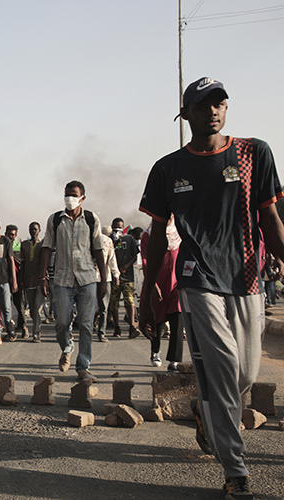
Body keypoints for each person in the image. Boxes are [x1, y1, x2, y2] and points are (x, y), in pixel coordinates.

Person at [139, 77, 284, 499]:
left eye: (220, 103)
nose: (214, 111)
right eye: (203, 106)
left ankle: (206, 414)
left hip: (246, 278)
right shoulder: (168, 168)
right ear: (186, 115)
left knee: (245, 374)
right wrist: (151, 292)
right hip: (196, 278)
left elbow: (270, 221)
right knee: (221, 370)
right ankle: (235, 471)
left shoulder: (254, 152)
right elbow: (157, 231)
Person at [40, 180, 107, 382]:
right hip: (62, 279)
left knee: (86, 325)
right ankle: (67, 347)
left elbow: (98, 249)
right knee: (61, 322)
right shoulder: (55, 220)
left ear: (82, 198)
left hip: (87, 278)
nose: (69, 198)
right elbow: (47, 247)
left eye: (73, 194)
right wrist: (43, 276)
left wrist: (104, 279)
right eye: (66, 194)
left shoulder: (91, 218)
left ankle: (83, 367)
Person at [140, 216, 185, 369]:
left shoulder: (180, 234)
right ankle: (155, 351)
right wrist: (152, 283)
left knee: (177, 319)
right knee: (157, 320)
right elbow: (146, 261)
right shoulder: (148, 236)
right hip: (157, 283)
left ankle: (175, 359)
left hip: (176, 283)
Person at [110, 222, 141, 338]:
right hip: (114, 276)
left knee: (129, 300)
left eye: (120, 227)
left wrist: (125, 267)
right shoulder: (109, 239)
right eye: (115, 227)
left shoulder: (129, 239)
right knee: (114, 302)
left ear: (123, 228)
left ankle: (132, 326)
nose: (117, 229)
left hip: (127, 276)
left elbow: (134, 255)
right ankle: (117, 327)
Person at [19, 222, 45, 342]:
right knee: (33, 310)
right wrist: (20, 280)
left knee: (38, 308)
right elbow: (22, 263)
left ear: (39, 230)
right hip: (28, 281)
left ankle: (36, 334)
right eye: (31, 229)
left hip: (39, 281)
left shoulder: (43, 245)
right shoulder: (24, 245)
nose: (33, 231)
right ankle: (35, 328)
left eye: (35, 229)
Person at [94, 226, 121, 342]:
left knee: (102, 307)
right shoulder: (89, 239)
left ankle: (101, 332)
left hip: (103, 278)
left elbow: (111, 259)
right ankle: (95, 332)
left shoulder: (106, 241)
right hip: (91, 278)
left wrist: (115, 274)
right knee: (96, 307)